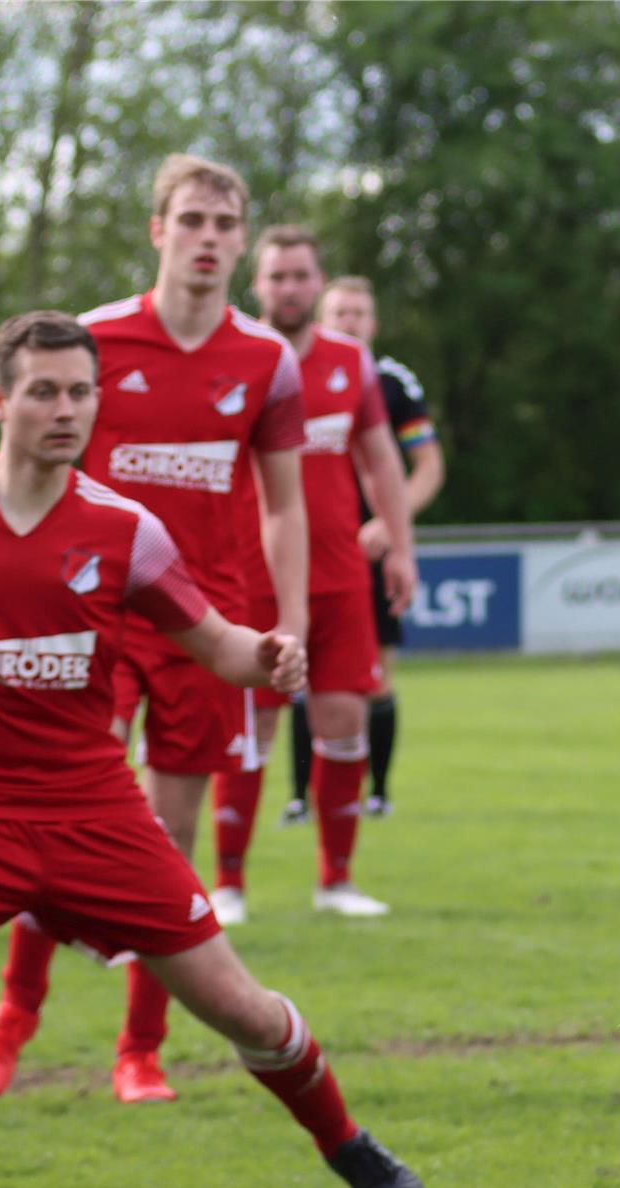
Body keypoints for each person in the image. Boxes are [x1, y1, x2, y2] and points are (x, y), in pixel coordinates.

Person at [0, 311, 423, 1188]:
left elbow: (215, 645)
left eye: (81, 392)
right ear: (0, 401)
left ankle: (349, 1146)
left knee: (238, 1007)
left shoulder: (127, 531)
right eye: (44, 391)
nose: (67, 410)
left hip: (95, 812)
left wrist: (267, 653)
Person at [0, 153, 310, 1106]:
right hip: (94, 622)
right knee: (52, 815)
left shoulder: (266, 362)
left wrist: (291, 622)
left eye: (225, 222)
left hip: (207, 625)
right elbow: (35, 472)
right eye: (191, 218)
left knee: (166, 841)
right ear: (158, 229)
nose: (208, 237)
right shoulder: (99, 343)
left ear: (242, 237)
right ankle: (15, 1010)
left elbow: (284, 506)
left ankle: (138, 1052)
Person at [208, 230, 417, 924]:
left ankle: (336, 880)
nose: (289, 288)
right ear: (257, 283)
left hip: (340, 575)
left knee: (345, 721)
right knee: (253, 727)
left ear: (317, 280)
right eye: (277, 277)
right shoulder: (233, 353)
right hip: (250, 577)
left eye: (301, 275)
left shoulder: (350, 363)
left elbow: (383, 461)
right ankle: (228, 885)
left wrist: (402, 549)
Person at [282, 276, 446, 824]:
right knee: (297, 674)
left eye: (359, 313)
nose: (349, 321)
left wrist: (390, 525)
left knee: (374, 678)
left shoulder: (393, 383)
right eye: (339, 312)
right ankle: (299, 796)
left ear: (373, 323)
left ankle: (377, 792)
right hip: (300, 546)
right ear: (322, 318)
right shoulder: (283, 370)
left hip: (366, 554)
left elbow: (428, 467)